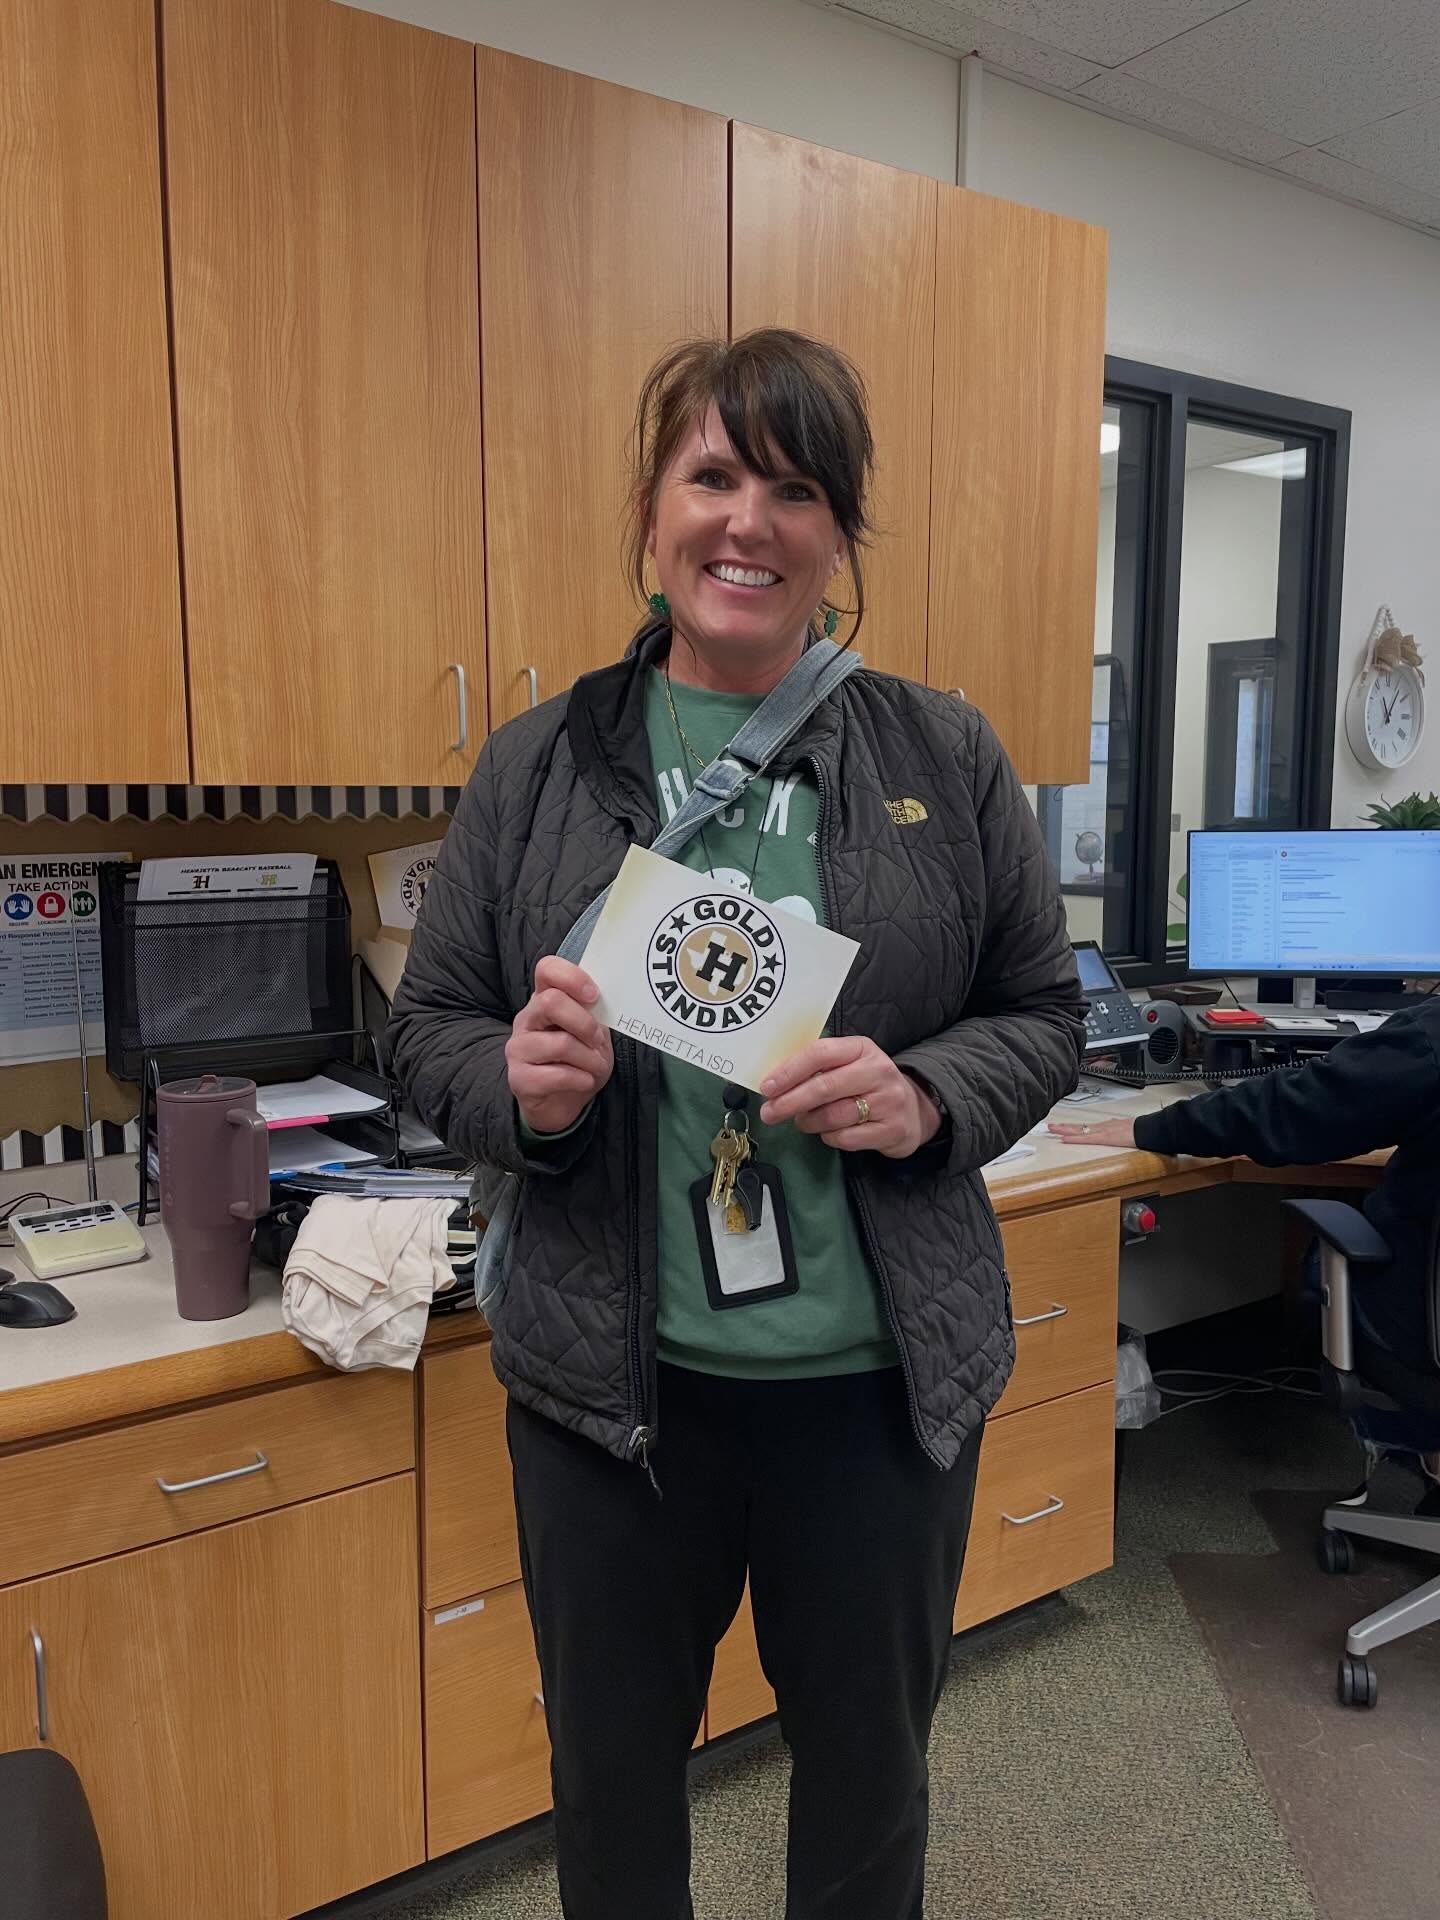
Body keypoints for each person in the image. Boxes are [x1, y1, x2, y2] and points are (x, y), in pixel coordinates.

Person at [389, 328, 1085, 1920]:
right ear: (653, 510)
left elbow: (1044, 1015)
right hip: (613, 1407)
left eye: (793, 487)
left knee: (865, 1797)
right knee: (615, 1808)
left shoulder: (943, 755)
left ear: (839, 535)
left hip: (875, 1399)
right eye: (713, 476)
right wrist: (520, 1089)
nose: (746, 524)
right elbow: (425, 1031)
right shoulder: (536, 767)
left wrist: (924, 1097)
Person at [1049, 997, 1440, 1487]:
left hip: (1418, 1331)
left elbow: (1299, 1110)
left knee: (1332, 1255)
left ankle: (1422, 1445)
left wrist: (1152, 1127)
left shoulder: (1429, 1038)